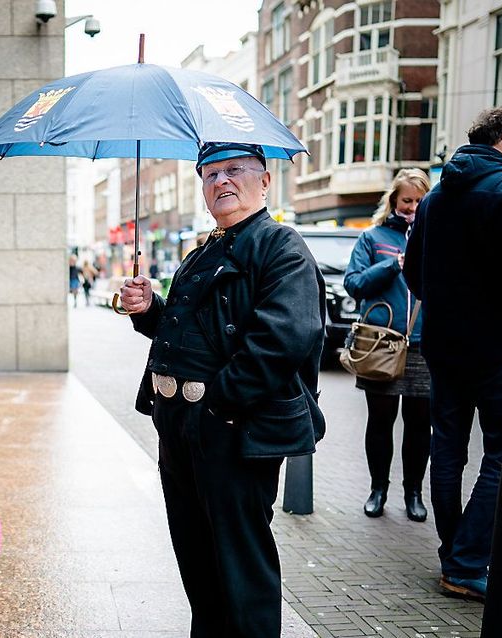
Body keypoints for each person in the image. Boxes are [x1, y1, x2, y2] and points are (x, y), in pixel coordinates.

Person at [119, 142, 325, 637]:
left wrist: (215, 406)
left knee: (240, 565)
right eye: (210, 175)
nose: (221, 182)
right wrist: (150, 309)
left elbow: (282, 342)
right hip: (180, 429)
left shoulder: (281, 247)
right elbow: (191, 331)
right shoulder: (202, 251)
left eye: (234, 171)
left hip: (234, 431)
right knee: (198, 558)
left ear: (265, 181)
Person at [404, 105, 502, 602]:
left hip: (444, 346)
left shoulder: (437, 198)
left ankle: (452, 552)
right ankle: (464, 562)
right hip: (501, 347)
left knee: (448, 451)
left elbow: (412, 273)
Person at [343, 168, 431, 522]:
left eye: (419, 202)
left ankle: (414, 494)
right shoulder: (372, 237)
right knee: (380, 421)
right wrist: (393, 266)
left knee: (418, 423)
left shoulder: (436, 237)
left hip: (424, 345)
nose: (412, 208)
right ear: (394, 200)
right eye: (406, 200)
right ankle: (378, 489)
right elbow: (354, 284)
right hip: (382, 343)